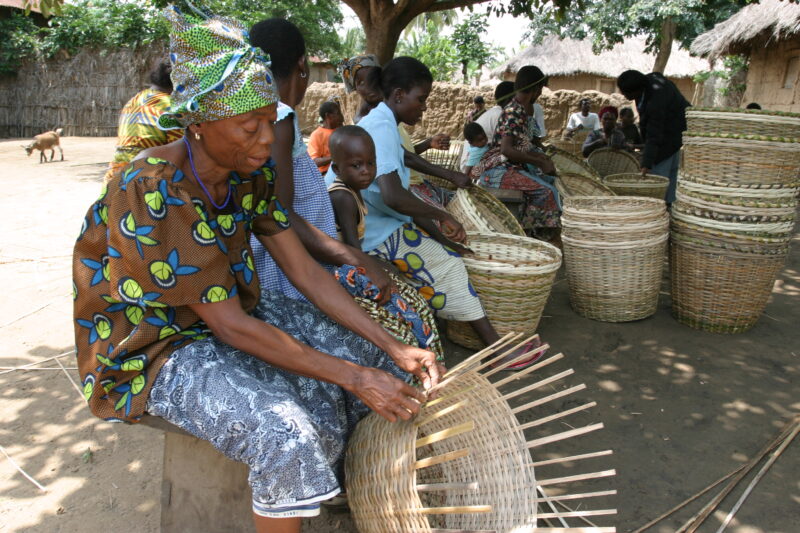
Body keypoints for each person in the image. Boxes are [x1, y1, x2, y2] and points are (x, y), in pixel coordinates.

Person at [73, 8, 440, 533]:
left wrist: (390, 347)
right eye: (250, 126)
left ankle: (352, 495)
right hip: (149, 347)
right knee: (284, 432)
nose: (267, 139)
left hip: (221, 315)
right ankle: (300, 491)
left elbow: (305, 273)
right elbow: (229, 328)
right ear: (198, 125)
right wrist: (358, 378)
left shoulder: (248, 173)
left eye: (271, 121)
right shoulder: (153, 188)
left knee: (366, 365)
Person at [357, 56, 540, 368]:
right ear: (399, 95)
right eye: (421, 99)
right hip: (373, 230)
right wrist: (443, 216)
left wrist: (451, 176)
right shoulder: (381, 126)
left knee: (444, 242)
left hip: (382, 217)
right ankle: (496, 348)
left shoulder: (382, 121)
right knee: (449, 264)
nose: (424, 107)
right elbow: (392, 195)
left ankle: (446, 320)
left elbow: (406, 157)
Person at [248, 19, 394, 304]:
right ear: (302, 65)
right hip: (290, 270)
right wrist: (356, 258)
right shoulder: (278, 117)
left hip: (296, 261)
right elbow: (281, 213)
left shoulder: (260, 113)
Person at [471, 65, 561, 236]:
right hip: (497, 171)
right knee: (548, 191)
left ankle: (532, 230)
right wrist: (540, 161)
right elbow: (506, 150)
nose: (541, 94)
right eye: (540, 89)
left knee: (549, 180)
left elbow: (523, 146)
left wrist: (542, 158)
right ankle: (541, 236)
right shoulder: (514, 111)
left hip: (509, 167)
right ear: (535, 89)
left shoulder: (521, 110)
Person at [102, 60, 183, 183]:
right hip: (144, 183)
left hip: (114, 179)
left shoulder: (134, 100)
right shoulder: (170, 107)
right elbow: (183, 150)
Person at [617, 69, 690, 204]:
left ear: (636, 90)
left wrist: (647, 163)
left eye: (626, 93)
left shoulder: (656, 101)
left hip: (671, 135)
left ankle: (659, 207)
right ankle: (668, 204)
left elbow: (654, 134)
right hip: (672, 132)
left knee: (658, 179)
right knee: (670, 176)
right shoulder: (650, 82)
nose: (624, 95)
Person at [460, 81, 515, 172]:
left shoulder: (494, 112)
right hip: (473, 167)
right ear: (511, 98)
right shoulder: (500, 115)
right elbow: (506, 149)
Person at [307, 100, 343, 173]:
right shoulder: (317, 135)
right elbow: (314, 162)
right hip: (325, 175)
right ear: (328, 116)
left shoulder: (341, 131)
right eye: (337, 114)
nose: (341, 117)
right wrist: (335, 157)